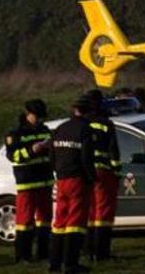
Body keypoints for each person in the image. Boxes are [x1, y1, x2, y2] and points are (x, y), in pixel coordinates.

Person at [48, 97, 96, 273]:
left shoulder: (60, 129)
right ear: (87, 112)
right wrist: (91, 177)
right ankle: (70, 264)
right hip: (78, 180)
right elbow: (86, 158)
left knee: (60, 221)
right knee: (75, 222)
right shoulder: (85, 130)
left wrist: (58, 172)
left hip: (61, 179)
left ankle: (54, 263)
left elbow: (51, 156)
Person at [5, 99, 55, 264]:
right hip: (27, 183)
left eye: (41, 117)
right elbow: (13, 156)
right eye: (37, 116)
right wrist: (32, 150)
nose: (39, 120)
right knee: (24, 222)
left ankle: (43, 253)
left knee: (45, 219)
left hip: (45, 181)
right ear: (29, 114)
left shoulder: (45, 130)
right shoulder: (16, 134)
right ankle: (23, 256)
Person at [84, 90, 120, 261]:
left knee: (89, 212)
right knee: (103, 213)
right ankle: (102, 252)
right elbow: (114, 152)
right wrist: (116, 171)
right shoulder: (106, 124)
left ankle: (88, 249)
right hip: (103, 172)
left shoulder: (82, 123)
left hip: (84, 173)